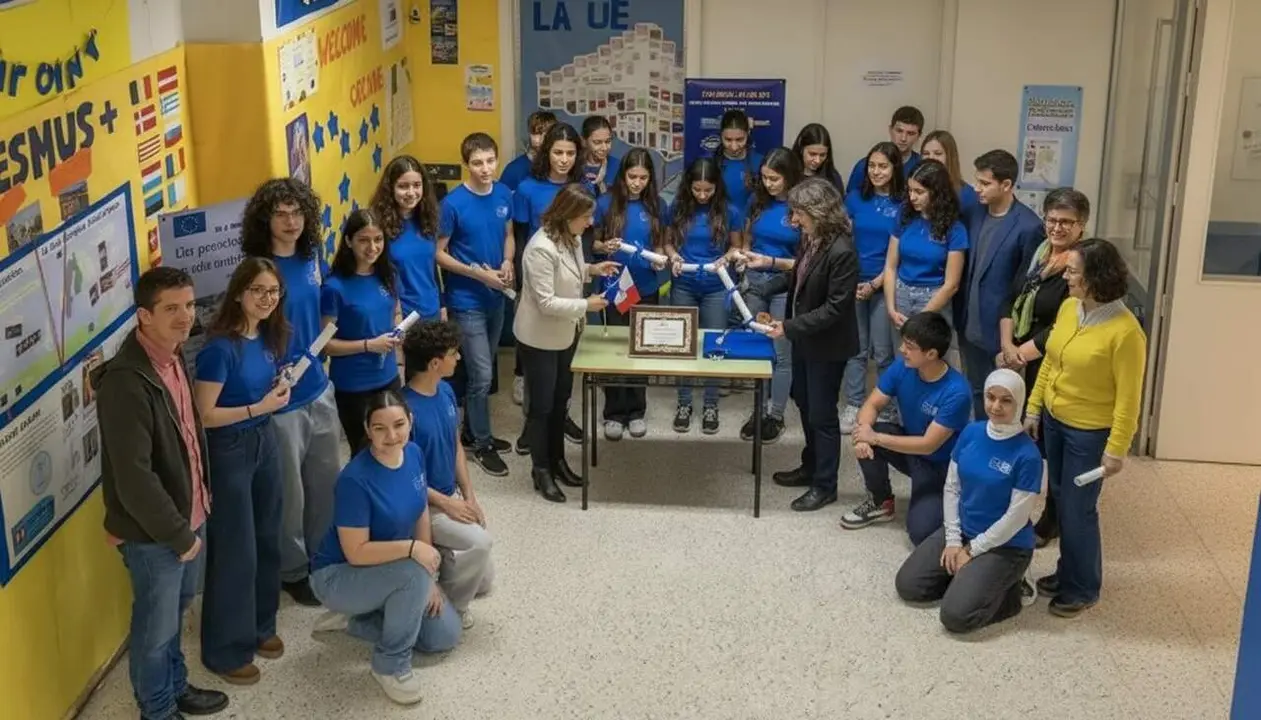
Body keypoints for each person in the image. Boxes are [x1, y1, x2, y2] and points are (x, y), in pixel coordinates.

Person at [95, 267, 229, 719]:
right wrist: (180, 535)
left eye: (189, 305)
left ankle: (175, 686)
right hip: (157, 534)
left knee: (175, 614)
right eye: (171, 308)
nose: (185, 316)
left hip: (190, 516)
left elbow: (188, 439)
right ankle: (156, 709)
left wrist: (199, 511)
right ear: (143, 316)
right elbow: (134, 479)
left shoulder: (174, 358)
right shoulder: (125, 382)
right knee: (154, 629)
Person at [308, 391, 462, 706]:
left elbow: (420, 510)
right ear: (367, 430)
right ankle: (390, 664)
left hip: (385, 569)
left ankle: (355, 619)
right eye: (380, 428)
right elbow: (356, 552)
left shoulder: (414, 454)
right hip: (338, 575)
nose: (391, 436)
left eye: (399, 424)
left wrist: (430, 578)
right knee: (411, 575)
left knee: (443, 636)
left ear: (410, 422)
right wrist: (414, 554)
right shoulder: (355, 479)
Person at [1024, 238, 1146, 618]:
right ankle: (1066, 572)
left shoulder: (1126, 333)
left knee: (1079, 511)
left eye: (1073, 270)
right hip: (1056, 422)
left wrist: (1117, 449)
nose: (1066, 275)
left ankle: (1082, 587)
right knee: (1059, 502)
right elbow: (1050, 362)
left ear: (1096, 277)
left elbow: (1129, 398)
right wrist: (1034, 407)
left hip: (1089, 433)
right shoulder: (1068, 308)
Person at [240, 178, 342, 609]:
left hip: (319, 387)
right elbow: (246, 333)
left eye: (297, 213)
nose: (291, 222)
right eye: (281, 214)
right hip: (282, 400)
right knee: (291, 493)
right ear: (266, 219)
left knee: (325, 483)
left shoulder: (311, 258)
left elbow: (317, 313)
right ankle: (294, 569)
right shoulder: (257, 271)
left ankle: (323, 557)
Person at [193, 258, 290, 685]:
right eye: (258, 291)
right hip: (229, 448)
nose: (267, 299)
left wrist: (275, 390)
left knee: (269, 535)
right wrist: (259, 406)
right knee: (237, 549)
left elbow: (258, 390)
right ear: (238, 294)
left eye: (273, 292)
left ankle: (259, 626)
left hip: (263, 439)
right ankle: (225, 649)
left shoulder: (267, 337)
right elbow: (205, 416)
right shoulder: (220, 348)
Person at [894, 368, 1041, 634]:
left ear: (1018, 402)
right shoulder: (971, 433)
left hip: (1005, 546)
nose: (996, 406)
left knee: (956, 616)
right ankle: (969, 581)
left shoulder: (1027, 455)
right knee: (909, 585)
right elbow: (952, 488)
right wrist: (952, 541)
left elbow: (1016, 518)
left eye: (1006, 400)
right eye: (990, 397)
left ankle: (1011, 594)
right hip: (962, 531)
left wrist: (972, 550)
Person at [749, 178, 859, 511]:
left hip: (827, 345)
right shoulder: (812, 240)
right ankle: (810, 466)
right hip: (806, 340)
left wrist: (788, 327)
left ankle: (826, 485)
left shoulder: (842, 250)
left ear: (818, 211)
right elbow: (798, 276)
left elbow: (836, 307)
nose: (794, 220)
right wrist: (764, 290)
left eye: (798, 213)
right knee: (806, 404)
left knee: (823, 415)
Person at [997, 188, 1090, 547]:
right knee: (1021, 437)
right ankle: (1016, 506)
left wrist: (1022, 353)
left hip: (1050, 362)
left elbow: (1065, 323)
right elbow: (1011, 296)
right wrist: (1007, 345)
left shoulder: (1080, 265)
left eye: (1066, 222)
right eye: (1052, 219)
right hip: (1018, 352)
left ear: (1082, 226)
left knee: (1049, 445)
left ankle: (1051, 519)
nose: (1057, 227)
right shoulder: (1039, 253)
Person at [515, 183, 620, 502]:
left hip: (566, 333)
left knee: (561, 401)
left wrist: (592, 269)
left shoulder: (571, 237)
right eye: (586, 216)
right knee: (542, 406)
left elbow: (571, 271)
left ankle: (558, 461)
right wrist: (586, 305)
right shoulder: (540, 247)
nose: (590, 224)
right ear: (568, 214)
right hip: (540, 337)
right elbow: (546, 302)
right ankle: (541, 469)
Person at [841, 312, 972, 545]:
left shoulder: (956, 391)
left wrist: (875, 437)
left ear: (931, 354)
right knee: (866, 431)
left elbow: (928, 445)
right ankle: (881, 501)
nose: (902, 349)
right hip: (912, 449)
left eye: (910, 346)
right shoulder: (903, 367)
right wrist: (864, 435)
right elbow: (872, 404)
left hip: (941, 466)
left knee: (920, 533)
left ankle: (956, 501)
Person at [401, 321, 494, 629]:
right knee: (480, 544)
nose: (460, 359)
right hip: (423, 506)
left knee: (485, 580)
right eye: (454, 353)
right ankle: (454, 606)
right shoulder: (403, 413)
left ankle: (444, 560)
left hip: (448, 496)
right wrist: (448, 505)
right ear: (435, 363)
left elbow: (455, 445)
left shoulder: (445, 392)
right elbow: (405, 478)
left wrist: (468, 497)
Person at [437, 132, 515, 476]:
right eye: (477, 163)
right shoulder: (453, 204)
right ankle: (482, 442)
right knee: (482, 374)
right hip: (465, 299)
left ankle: (471, 431)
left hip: (496, 295)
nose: (485, 169)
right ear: (465, 164)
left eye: (490, 161)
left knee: (483, 368)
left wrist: (509, 261)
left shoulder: (503, 194)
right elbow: (438, 254)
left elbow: (508, 234)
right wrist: (477, 274)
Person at [512, 122, 586, 450]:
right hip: (538, 277)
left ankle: (560, 416)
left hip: (569, 278)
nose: (564, 159)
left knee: (563, 364)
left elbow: (583, 238)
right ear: (546, 153)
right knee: (539, 367)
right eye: (558, 152)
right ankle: (534, 426)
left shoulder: (581, 188)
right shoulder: (528, 188)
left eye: (570, 153)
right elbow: (518, 235)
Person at [957, 150, 1045, 419]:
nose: (976, 188)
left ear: (1006, 185)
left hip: (1002, 331)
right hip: (968, 321)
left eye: (985, 183)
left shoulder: (1029, 226)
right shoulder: (972, 212)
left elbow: (1026, 289)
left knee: (1004, 398)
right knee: (975, 389)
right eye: (977, 181)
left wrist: (1013, 338)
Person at [591, 147, 668, 440]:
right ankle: (613, 412)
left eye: (643, 177)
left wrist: (659, 257)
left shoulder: (658, 205)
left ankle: (636, 411)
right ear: (622, 175)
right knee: (616, 348)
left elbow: (661, 244)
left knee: (640, 348)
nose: (637, 182)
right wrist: (604, 247)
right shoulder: (604, 203)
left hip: (646, 286)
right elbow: (592, 244)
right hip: (615, 285)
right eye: (632, 176)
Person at [664, 157, 743, 434]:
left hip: (716, 286)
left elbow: (737, 247)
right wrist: (673, 256)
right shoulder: (677, 207)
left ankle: (711, 404)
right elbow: (667, 241)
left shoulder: (730, 210)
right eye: (697, 190)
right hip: (684, 283)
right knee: (682, 345)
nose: (702, 195)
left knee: (714, 347)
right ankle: (684, 402)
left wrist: (727, 257)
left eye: (707, 191)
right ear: (689, 187)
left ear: (716, 188)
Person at [321, 209, 403, 453]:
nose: (372, 247)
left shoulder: (388, 274)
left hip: (388, 377)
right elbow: (326, 344)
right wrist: (369, 345)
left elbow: (395, 311)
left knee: (397, 445)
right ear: (348, 241)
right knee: (366, 451)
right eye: (364, 240)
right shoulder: (334, 288)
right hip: (354, 385)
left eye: (378, 240)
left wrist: (399, 329)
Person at [737, 147, 804, 444]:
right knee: (755, 347)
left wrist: (771, 262)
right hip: (754, 279)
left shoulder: (802, 206)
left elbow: (807, 262)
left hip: (784, 283)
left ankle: (775, 414)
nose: (769, 184)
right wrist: (745, 258)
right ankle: (757, 409)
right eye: (764, 177)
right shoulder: (757, 201)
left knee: (780, 353)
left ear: (789, 176)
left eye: (775, 178)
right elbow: (749, 239)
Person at [839, 142, 907, 434]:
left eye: (883, 166)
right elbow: (843, 241)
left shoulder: (904, 204)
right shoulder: (854, 199)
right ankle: (853, 403)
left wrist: (876, 283)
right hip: (854, 282)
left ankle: (886, 407)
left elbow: (902, 251)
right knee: (855, 348)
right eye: (872, 166)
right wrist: (853, 280)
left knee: (883, 352)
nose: (877, 172)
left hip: (885, 285)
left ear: (895, 169)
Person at [883, 160, 967, 337]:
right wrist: (891, 307)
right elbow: (890, 266)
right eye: (910, 190)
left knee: (929, 357)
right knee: (902, 356)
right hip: (901, 295)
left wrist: (920, 318)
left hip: (933, 300)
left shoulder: (955, 228)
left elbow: (951, 285)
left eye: (919, 192)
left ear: (937, 193)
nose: (912, 197)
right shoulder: (904, 215)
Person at [372, 155, 444, 323]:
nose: (411, 193)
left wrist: (442, 306)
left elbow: (431, 266)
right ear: (390, 188)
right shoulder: (377, 226)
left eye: (417, 185)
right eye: (403, 186)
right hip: (401, 317)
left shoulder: (428, 218)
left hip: (431, 311)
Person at [845, 106, 924, 192]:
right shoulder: (865, 166)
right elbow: (850, 200)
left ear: (919, 136)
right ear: (890, 130)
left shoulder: (921, 166)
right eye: (899, 131)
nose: (903, 138)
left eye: (910, 133)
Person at [713, 109, 763, 214]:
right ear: (721, 135)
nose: (734, 147)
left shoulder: (760, 163)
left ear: (748, 133)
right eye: (728, 140)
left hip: (751, 226)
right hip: (718, 225)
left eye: (740, 140)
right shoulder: (710, 163)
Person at [920, 130, 979, 217]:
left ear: (950, 157)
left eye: (938, 153)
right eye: (926, 153)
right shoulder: (915, 189)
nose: (931, 158)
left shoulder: (966, 194)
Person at [500, 110, 557, 191]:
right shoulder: (514, 169)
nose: (542, 139)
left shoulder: (559, 167)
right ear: (530, 134)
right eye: (537, 133)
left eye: (547, 134)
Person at [791, 123, 844, 193]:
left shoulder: (833, 178)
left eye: (822, 155)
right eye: (812, 154)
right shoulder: (788, 173)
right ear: (801, 149)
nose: (817, 161)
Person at [580, 115, 621, 196]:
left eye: (608, 141)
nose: (604, 148)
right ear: (584, 141)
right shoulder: (574, 166)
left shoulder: (618, 166)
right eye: (597, 142)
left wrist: (601, 184)